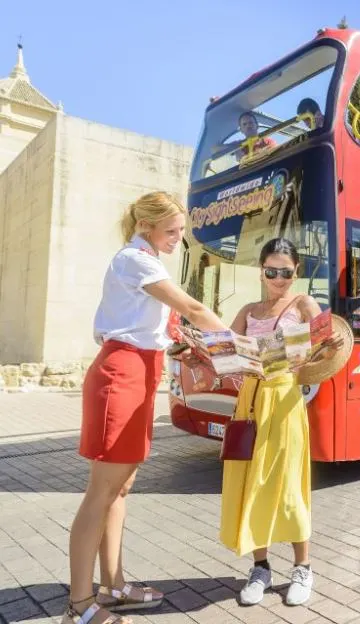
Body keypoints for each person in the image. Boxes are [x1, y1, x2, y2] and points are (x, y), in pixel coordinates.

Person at [61, 191, 227, 624]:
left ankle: (112, 585)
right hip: (121, 374)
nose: (178, 239)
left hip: (141, 372)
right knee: (100, 493)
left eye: (181, 232)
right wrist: (241, 346)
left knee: (121, 489)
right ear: (145, 226)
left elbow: (152, 329)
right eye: (171, 231)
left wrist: (183, 350)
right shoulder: (135, 259)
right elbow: (191, 308)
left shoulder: (146, 262)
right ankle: (79, 607)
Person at [220, 238, 343, 607]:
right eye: (271, 271)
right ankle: (260, 568)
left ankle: (303, 567)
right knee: (253, 483)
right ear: (261, 271)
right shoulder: (246, 310)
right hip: (251, 400)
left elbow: (322, 352)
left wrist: (329, 346)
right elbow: (226, 351)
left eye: (285, 272)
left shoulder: (304, 304)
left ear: (296, 272)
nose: (278, 278)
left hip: (286, 400)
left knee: (289, 484)